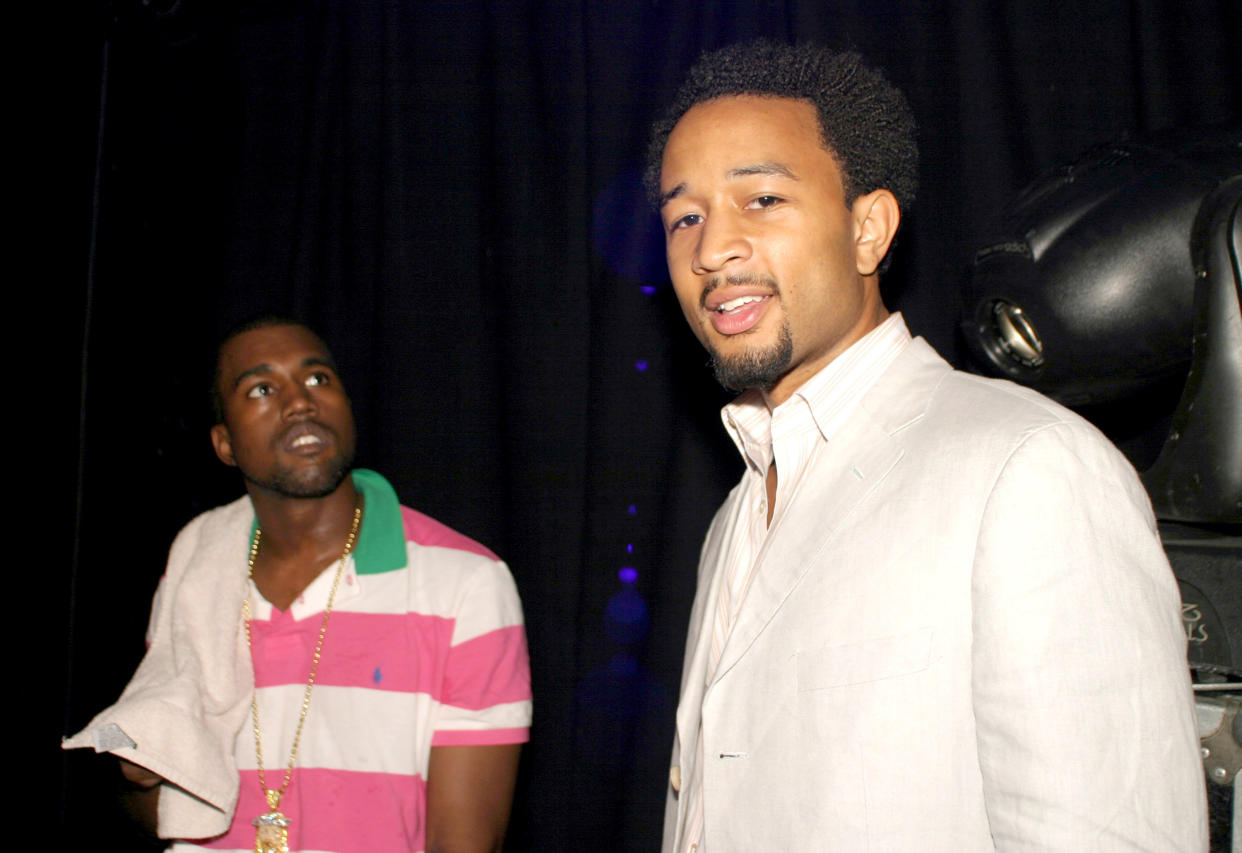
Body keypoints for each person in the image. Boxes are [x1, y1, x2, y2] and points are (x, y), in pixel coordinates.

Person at [646, 41, 1206, 851]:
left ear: (868, 229)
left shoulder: (1028, 467)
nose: (710, 249)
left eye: (761, 199)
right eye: (684, 217)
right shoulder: (735, 515)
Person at [64, 319, 531, 852]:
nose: (300, 403)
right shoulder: (198, 562)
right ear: (225, 445)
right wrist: (140, 771)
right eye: (262, 389)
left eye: (317, 380)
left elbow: (465, 842)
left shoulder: (464, 584)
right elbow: (166, 808)